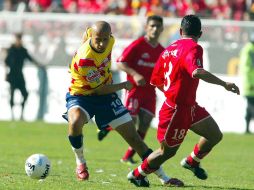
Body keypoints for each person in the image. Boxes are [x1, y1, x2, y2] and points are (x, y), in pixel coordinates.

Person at [62, 21, 183, 186]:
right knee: (75, 121)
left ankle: (164, 178)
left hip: (106, 97)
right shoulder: (85, 59)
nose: (102, 43)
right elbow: (99, 89)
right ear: (92, 37)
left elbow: (88, 31)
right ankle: (80, 162)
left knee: (135, 139)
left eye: (105, 39)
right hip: (82, 94)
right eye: (98, 39)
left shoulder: (109, 40)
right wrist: (124, 85)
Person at [127, 14, 240, 187]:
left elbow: (156, 81)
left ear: (180, 31)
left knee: (214, 135)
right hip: (176, 110)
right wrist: (224, 83)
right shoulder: (194, 47)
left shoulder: (167, 50)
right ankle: (137, 174)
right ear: (200, 34)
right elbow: (197, 71)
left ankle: (192, 161)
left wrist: (173, 91)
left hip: (188, 106)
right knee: (167, 152)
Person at [97, 15, 165, 165]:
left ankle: (128, 155)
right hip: (134, 90)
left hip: (150, 92)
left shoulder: (161, 50)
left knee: (146, 122)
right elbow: (121, 62)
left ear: (162, 29)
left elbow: (162, 72)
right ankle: (108, 127)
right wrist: (135, 74)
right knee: (130, 121)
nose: (154, 29)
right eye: (152, 26)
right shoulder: (138, 44)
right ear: (146, 27)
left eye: (157, 26)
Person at [4, 33, 42, 120]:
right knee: (12, 94)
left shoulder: (23, 50)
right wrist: (5, 74)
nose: (19, 41)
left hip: (20, 75)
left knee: (25, 94)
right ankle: (12, 115)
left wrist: (39, 65)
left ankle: (21, 114)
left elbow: (30, 59)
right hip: (12, 75)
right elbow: (6, 62)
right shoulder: (11, 50)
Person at [239, 32, 254, 134]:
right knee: (251, 105)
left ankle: (247, 128)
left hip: (249, 81)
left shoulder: (248, 48)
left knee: (250, 106)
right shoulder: (250, 49)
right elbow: (247, 68)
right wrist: (250, 82)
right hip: (250, 82)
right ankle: (247, 128)